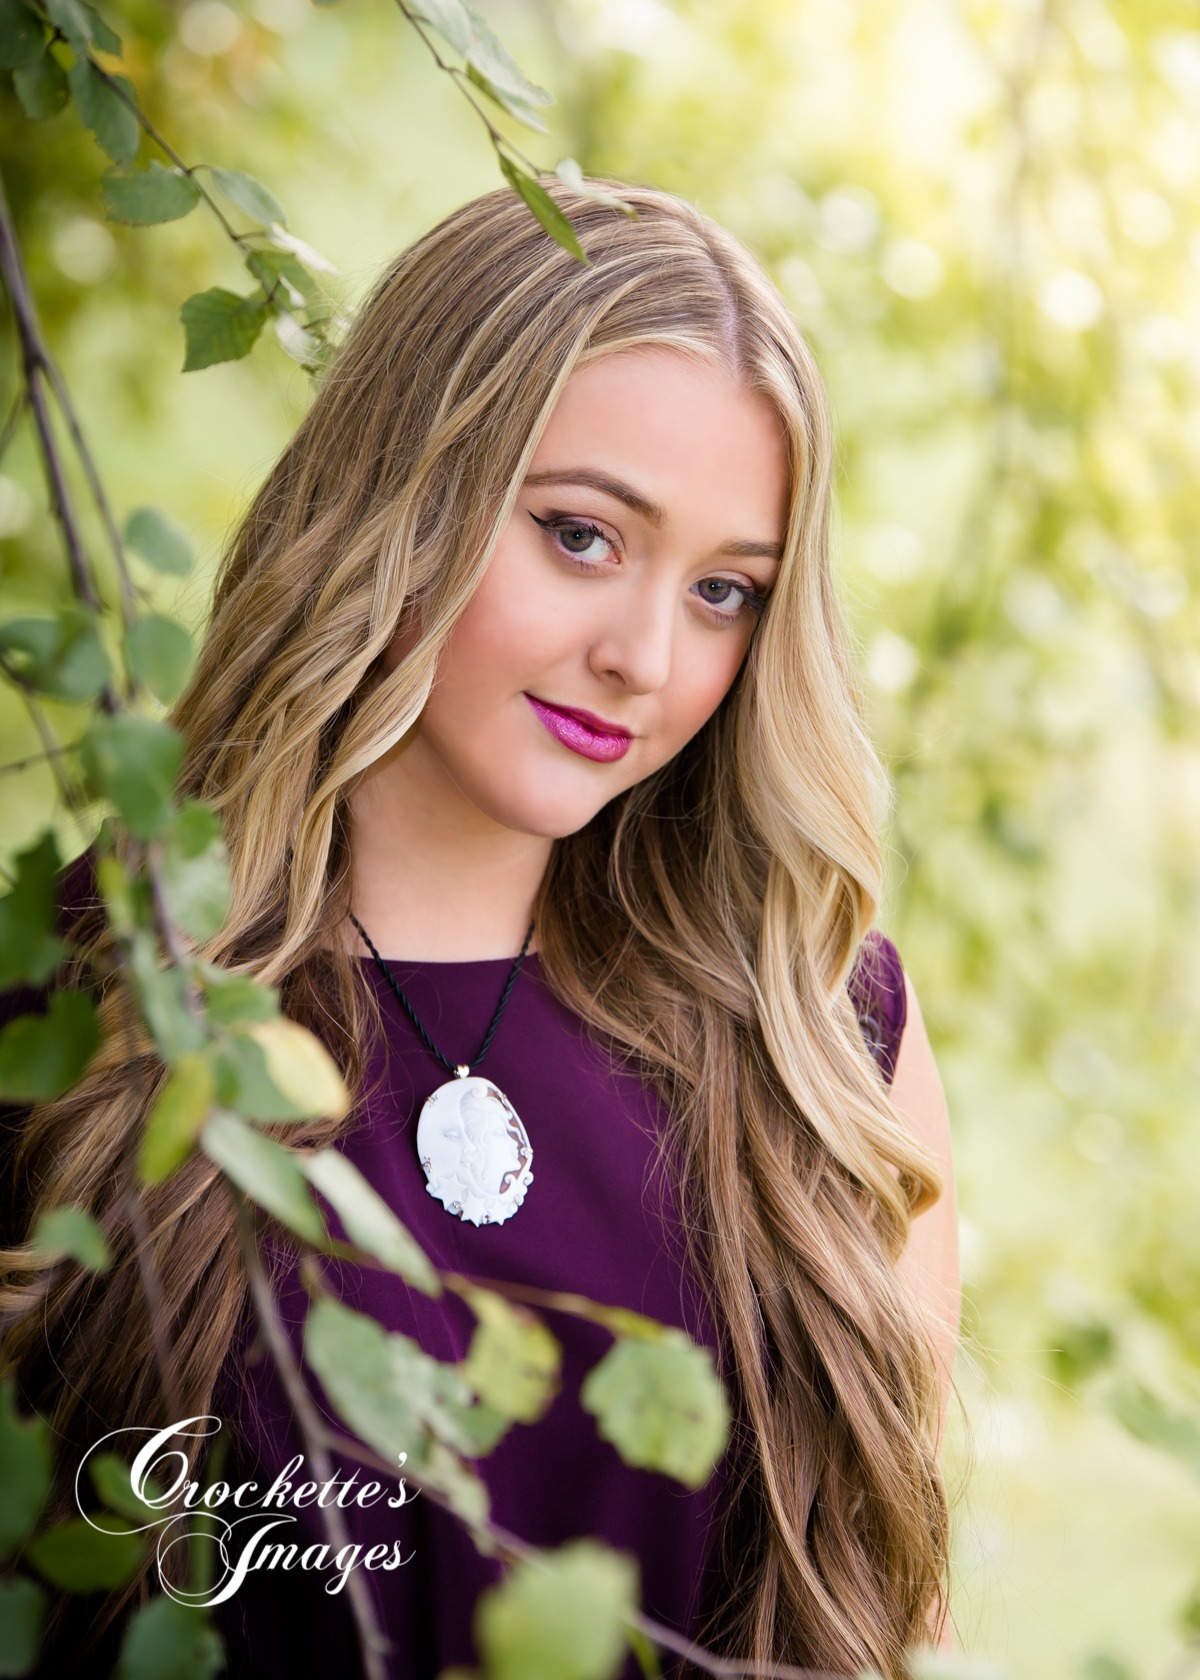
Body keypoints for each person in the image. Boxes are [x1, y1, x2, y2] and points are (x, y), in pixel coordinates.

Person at [0, 177, 959, 1680]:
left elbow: (874, 1626)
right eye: (582, 537)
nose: (644, 656)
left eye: (723, 592)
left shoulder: (822, 1055)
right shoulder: (90, 1000)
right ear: (408, 492)